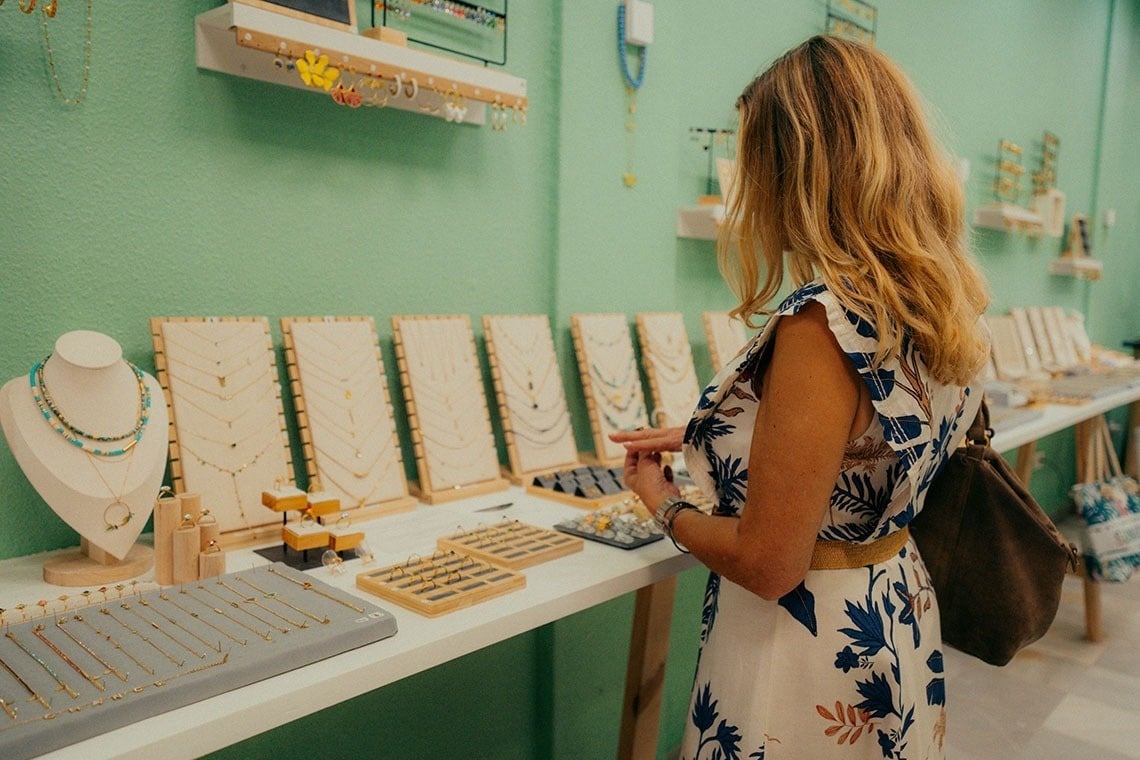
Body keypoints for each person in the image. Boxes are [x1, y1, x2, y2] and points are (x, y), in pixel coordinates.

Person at [612, 35, 990, 759]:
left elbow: (769, 563)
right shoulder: (942, 299)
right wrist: (710, 439)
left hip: (806, 649)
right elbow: (864, 450)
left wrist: (664, 503)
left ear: (802, 168)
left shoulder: (824, 323)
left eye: (755, 162)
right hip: (892, 611)